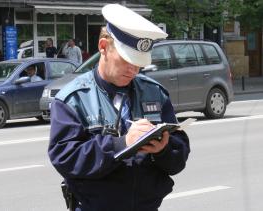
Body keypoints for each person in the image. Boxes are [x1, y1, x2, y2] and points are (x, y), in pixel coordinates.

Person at [48, 4, 190, 211]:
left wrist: (164, 149)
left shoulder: (155, 93)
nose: (134, 70)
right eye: (127, 60)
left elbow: (178, 157)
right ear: (104, 47)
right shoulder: (73, 99)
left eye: (139, 63)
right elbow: (65, 158)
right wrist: (122, 144)